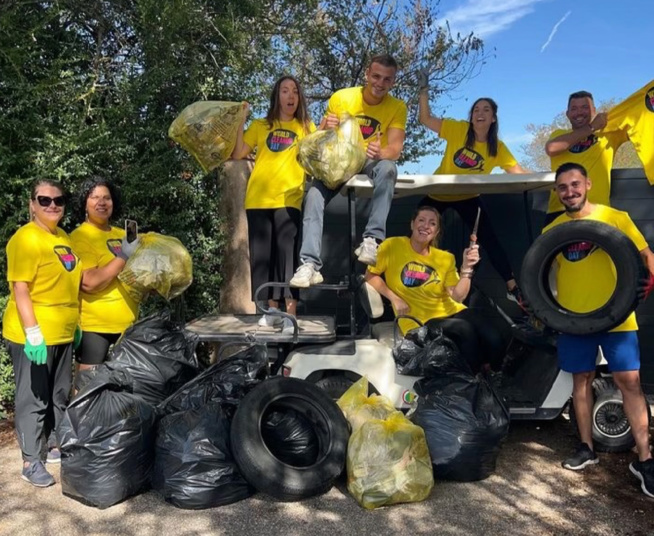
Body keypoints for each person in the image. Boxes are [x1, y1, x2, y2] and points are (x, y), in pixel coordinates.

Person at [544, 162, 653, 497]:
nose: (569, 192)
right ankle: (586, 448)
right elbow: (543, 273)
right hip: (574, 319)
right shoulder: (553, 230)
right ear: (557, 192)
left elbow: (645, 253)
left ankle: (646, 460)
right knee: (582, 382)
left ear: (588, 184)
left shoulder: (614, 217)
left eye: (575, 184)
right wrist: (543, 306)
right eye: (562, 187)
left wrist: (648, 280)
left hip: (616, 316)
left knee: (629, 383)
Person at [289, 53, 408, 288]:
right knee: (313, 193)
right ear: (366, 74)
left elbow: (395, 147)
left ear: (393, 82)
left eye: (387, 79)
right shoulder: (341, 97)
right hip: (339, 161)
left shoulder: (397, 107)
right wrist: (325, 127)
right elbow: (319, 141)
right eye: (376, 76)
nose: (380, 83)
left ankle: (371, 239)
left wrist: (381, 152)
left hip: (367, 160)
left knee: (388, 169)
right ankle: (310, 265)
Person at [418, 71, 528, 307]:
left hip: (469, 197)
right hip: (439, 193)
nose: (480, 113)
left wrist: (550, 179)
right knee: (418, 233)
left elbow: (518, 173)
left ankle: (512, 287)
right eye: (476, 109)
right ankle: (412, 282)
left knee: (488, 239)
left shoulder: (496, 147)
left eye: (486, 110)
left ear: (493, 119)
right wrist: (423, 91)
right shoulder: (457, 130)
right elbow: (426, 120)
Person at [2, 180, 82, 487]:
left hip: (62, 332)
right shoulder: (25, 239)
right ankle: (30, 460)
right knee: (33, 398)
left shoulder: (63, 237)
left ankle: (53, 445)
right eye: (44, 200)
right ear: (32, 204)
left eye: (59, 200)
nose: (52, 206)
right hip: (32, 335)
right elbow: (20, 288)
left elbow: (67, 284)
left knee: (58, 395)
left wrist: (75, 324)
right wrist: (33, 332)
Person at [364, 206, 505, 373]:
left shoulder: (445, 258)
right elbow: (370, 275)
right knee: (464, 330)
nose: (426, 226)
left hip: (452, 310)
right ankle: (472, 380)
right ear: (412, 224)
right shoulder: (392, 245)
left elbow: (458, 297)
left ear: (436, 231)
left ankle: (494, 373)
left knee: (495, 335)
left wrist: (467, 267)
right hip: (419, 320)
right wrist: (394, 298)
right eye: (421, 220)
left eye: (432, 223)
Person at [232, 76, 316, 331]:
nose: (290, 96)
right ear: (276, 96)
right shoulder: (260, 125)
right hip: (258, 199)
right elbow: (238, 154)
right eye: (284, 91)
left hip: (289, 197)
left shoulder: (306, 126)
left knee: (287, 256)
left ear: (299, 98)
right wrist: (240, 123)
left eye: (294, 92)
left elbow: (319, 153)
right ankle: (271, 312)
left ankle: (290, 315)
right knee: (262, 258)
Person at [69, 178, 140, 384]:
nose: (102, 202)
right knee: (87, 387)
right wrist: (123, 257)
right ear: (84, 203)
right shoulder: (80, 237)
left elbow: (137, 275)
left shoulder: (123, 235)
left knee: (123, 389)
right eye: (95, 197)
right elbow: (89, 282)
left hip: (127, 325)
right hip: (95, 327)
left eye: (107, 198)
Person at [543, 90, 626, 226]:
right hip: (560, 210)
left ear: (594, 111)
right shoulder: (559, 135)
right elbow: (551, 148)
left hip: (598, 212)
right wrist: (592, 127)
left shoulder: (608, 134)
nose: (579, 112)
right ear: (568, 114)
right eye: (574, 109)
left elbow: (639, 120)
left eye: (585, 107)